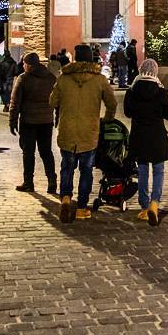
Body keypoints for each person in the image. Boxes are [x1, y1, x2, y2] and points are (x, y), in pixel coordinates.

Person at [49, 44, 117, 223]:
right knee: (86, 171)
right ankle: (81, 208)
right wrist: (107, 119)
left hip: (67, 130)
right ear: (91, 59)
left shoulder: (64, 78)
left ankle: (65, 198)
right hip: (89, 132)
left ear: (75, 59)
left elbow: (52, 101)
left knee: (67, 168)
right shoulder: (100, 80)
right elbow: (112, 104)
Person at [124, 58, 168, 226]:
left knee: (143, 171)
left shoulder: (132, 89)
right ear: (155, 72)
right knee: (158, 171)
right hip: (157, 135)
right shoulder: (160, 91)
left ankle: (144, 207)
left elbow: (127, 112)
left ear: (140, 70)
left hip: (139, 135)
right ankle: (154, 203)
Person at [9, 52, 57, 194]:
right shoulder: (51, 77)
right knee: (46, 152)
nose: (23, 66)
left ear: (29, 65)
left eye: (24, 63)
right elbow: (58, 98)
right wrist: (57, 115)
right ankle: (52, 181)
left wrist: (12, 120)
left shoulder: (23, 78)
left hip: (28, 121)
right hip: (46, 121)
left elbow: (15, 102)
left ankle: (28, 183)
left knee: (28, 153)